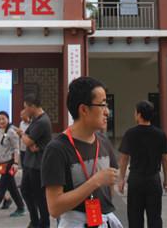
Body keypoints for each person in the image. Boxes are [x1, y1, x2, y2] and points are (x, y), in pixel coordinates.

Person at [42, 76, 122, 228]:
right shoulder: (57, 149)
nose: (107, 111)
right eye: (102, 105)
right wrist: (95, 181)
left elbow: (109, 188)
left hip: (103, 221)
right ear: (84, 109)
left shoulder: (104, 142)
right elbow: (54, 207)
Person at [118, 100, 167, 228]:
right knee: (155, 217)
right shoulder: (160, 134)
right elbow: (165, 159)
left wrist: (121, 179)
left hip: (136, 180)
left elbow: (124, 159)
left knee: (135, 217)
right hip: (153, 179)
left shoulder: (130, 133)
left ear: (139, 115)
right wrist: (166, 180)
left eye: (135, 112)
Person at [20, 94, 52, 228]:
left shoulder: (42, 121)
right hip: (30, 163)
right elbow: (28, 138)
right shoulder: (35, 120)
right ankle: (35, 221)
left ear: (32, 106)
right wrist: (27, 139)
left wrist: (23, 135)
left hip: (37, 165)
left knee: (39, 197)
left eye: (26, 107)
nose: (24, 110)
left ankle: (43, 223)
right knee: (25, 190)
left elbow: (27, 140)